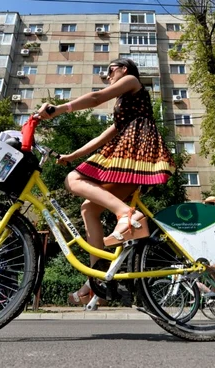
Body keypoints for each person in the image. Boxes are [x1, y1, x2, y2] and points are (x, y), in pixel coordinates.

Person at [34, 58, 176, 304]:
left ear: (124, 69)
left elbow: (96, 98)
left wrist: (58, 109)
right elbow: (104, 135)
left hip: (137, 148)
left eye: (109, 69)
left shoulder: (132, 81)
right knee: (88, 207)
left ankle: (127, 215)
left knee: (73, 179)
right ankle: (99, 279)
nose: (107, 74)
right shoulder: (125, 107)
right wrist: (73, 155)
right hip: (131, 150)